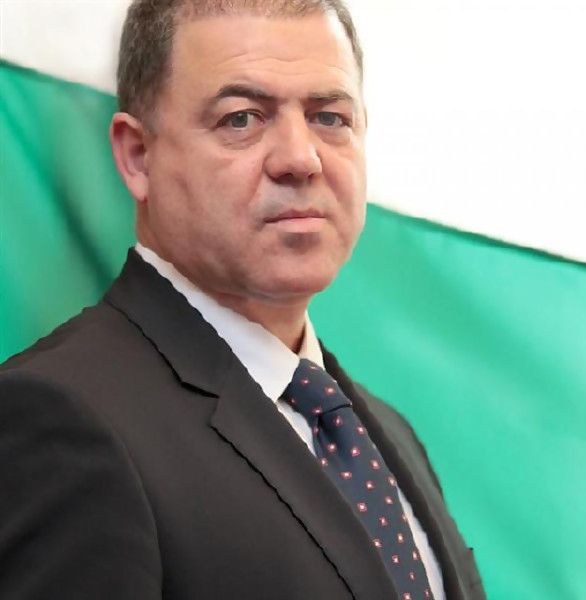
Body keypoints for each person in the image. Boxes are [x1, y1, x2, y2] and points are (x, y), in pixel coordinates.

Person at [0, 1, 485, 598]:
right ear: (138, 155)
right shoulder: (58, 417)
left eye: (329, 117)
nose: (301, 158)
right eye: (242, 119)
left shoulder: (384, 432)